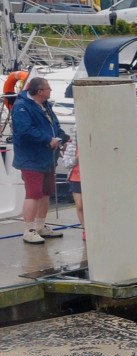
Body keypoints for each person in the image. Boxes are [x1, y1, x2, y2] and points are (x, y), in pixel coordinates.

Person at [12, 77, 68, 245]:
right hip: (31, 157)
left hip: (48, 156)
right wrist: (47, 139)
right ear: (39, 91)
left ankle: (40, 225)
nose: (51, 90)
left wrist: (62, 137)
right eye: (48, 88)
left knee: (46, 192)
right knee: (33, 193)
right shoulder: (21, 107)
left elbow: (54, 125)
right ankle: (29, 230)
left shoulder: (46, 105)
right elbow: (25, 130)